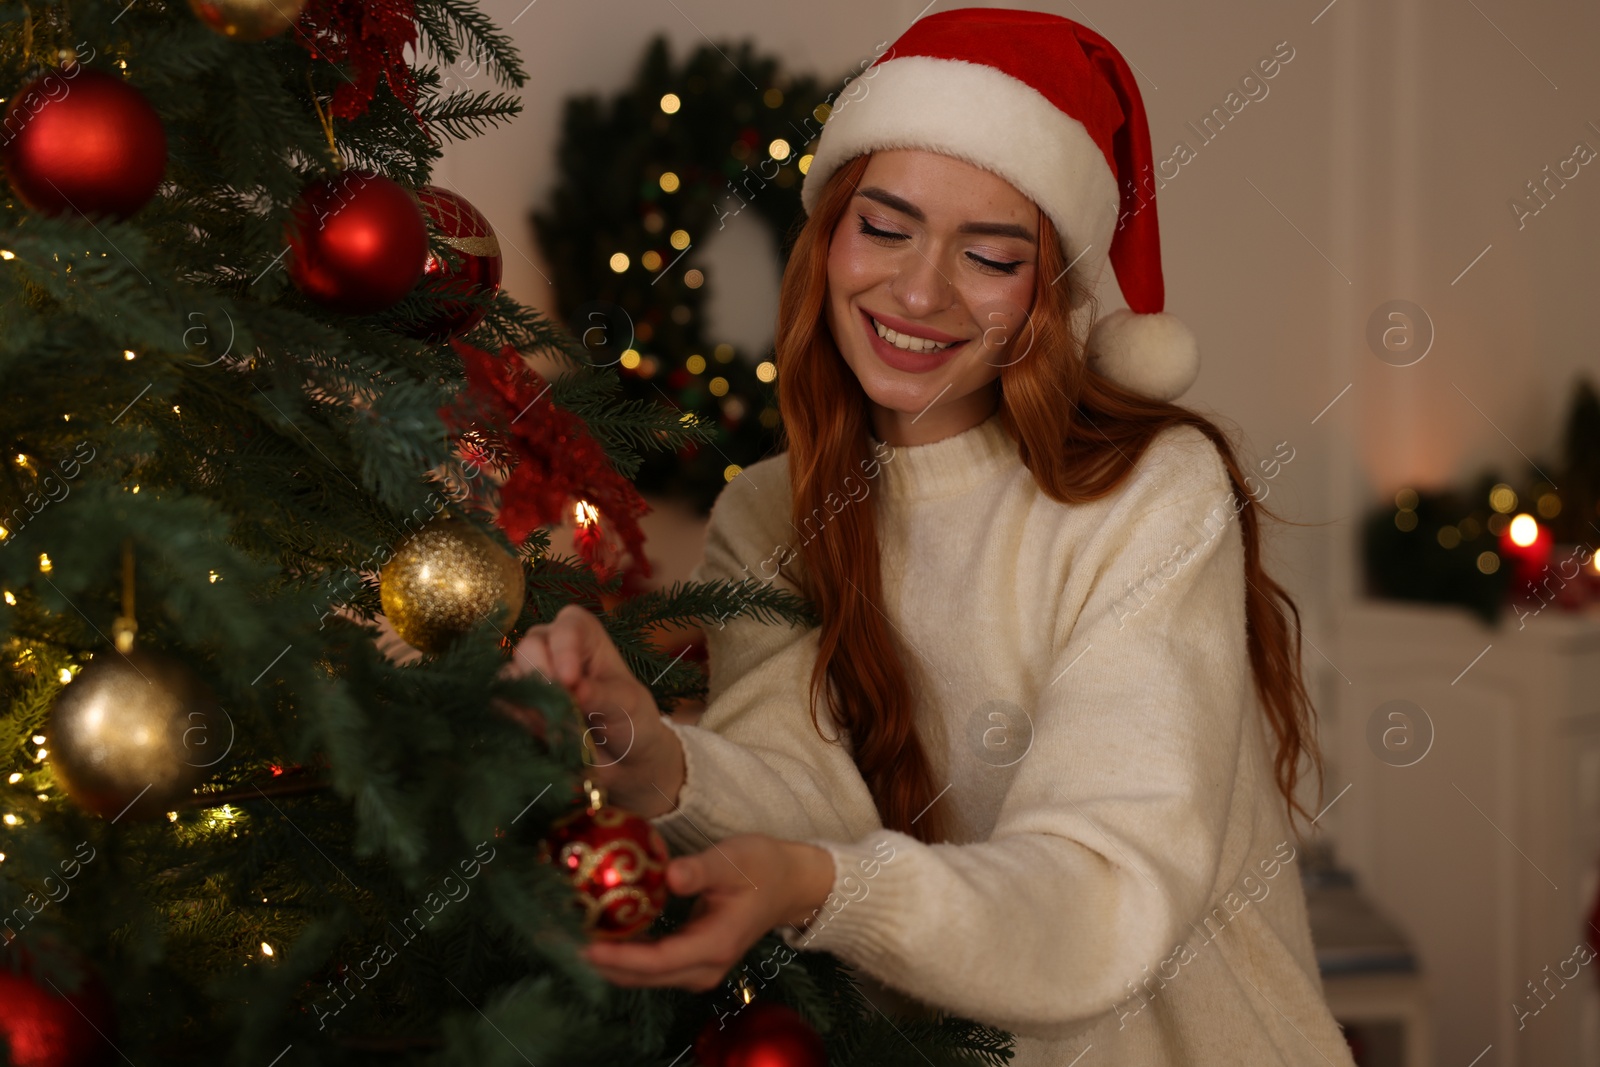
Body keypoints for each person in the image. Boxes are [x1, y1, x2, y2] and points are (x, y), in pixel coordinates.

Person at [505, 9, 1358, 1065]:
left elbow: (1103, 888)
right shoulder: (769, 510)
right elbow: (808, 790)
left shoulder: (1148, 491)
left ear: (1047, 293)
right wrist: (647, 751)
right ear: (828, 236)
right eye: (886, 225)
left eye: (989, 255)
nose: (917, 291)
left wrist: (818, 884)